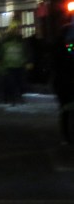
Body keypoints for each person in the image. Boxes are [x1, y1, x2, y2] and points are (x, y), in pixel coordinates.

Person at [51, 16, 74, 146]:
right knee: (67, 110)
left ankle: (66, 137)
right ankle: (66, 136)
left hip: (63, 84)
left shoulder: (61, 47)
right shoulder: (66, 48)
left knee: (66, 111)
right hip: (66, 84)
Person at [1, 14, 31, 105]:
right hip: (9, 66)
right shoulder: (6, 41)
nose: (17, 30)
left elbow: (26, 51)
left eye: (18, 29)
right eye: (15, 29)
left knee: (20, 83)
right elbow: (1, 52)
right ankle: (13, 99)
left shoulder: (21, 41)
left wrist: (27, 61)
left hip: (19, 65)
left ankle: (18, 97)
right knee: (12, 83)